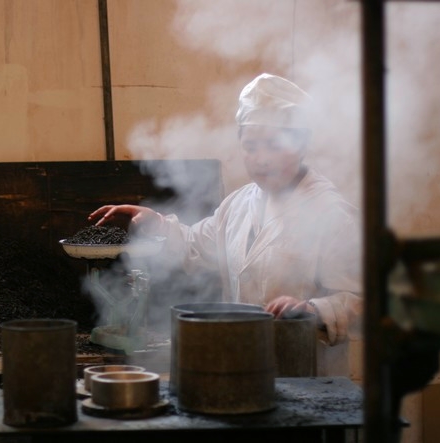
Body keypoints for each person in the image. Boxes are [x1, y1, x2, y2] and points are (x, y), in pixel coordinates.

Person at [88, 73, 362, 376]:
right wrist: (157, 223)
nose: (261, 159)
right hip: (245, 367)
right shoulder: (239, 204)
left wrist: (312, 309)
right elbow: (196, 244)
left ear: (302, 145)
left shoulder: (331, 213)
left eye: (273, 145)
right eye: (251, 146)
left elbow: (361, 302)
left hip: (311, 377)